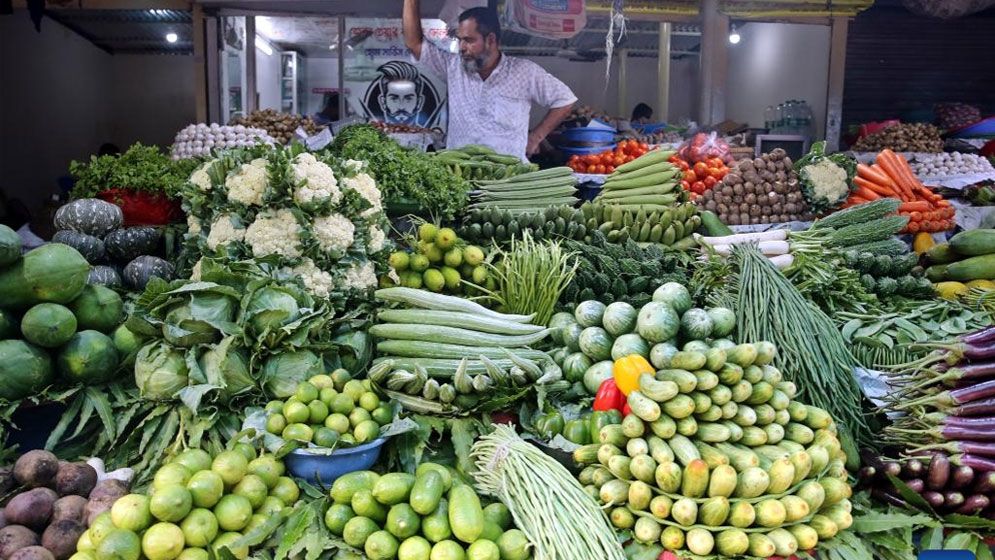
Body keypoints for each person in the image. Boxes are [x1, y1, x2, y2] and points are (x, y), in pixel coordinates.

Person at [403, 0, 577, 160]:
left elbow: (565, 100)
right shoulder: (453, 67)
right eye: (460, 40)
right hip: (461, 175)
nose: (462, 47)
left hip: (508, 178)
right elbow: (414, 44)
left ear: (491, 40)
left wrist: (536, 137)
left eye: (469, 40)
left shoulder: (524, 72)